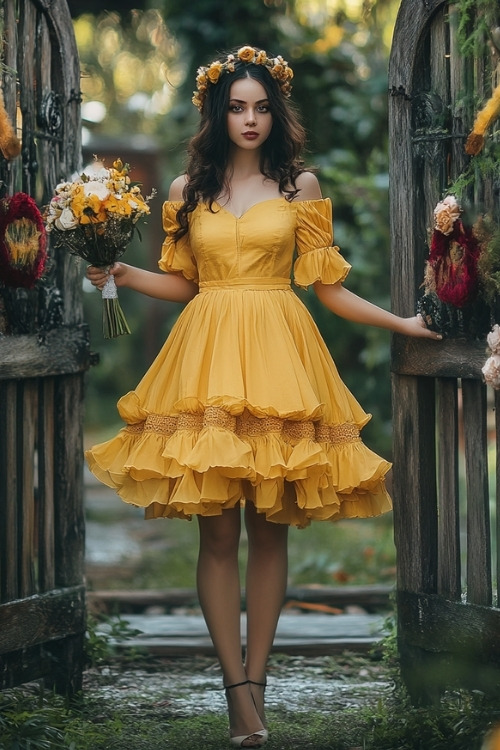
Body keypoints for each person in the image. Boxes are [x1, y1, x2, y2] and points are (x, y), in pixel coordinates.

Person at [85, 45, 442, 748]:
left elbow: (327, 287)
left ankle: (260, 681)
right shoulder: (189, 191)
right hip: (208, 353)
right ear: (218, 114)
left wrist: (402, 322)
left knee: (270, 523)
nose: (249, 119)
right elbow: (184, 283)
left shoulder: (299, 187)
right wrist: (120, 272)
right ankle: (236, 691)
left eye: (260, 108)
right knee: (217, 531)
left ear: (275, 114)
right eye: (236, 107)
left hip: (281, 352)